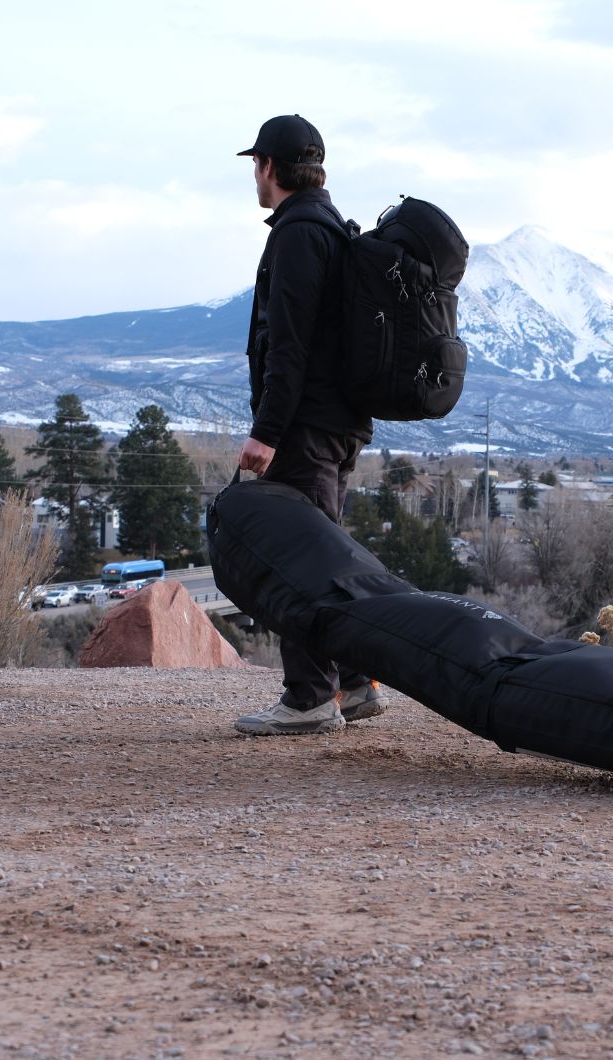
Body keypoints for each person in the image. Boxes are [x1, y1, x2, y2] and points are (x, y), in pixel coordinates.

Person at [233, 113, 387, 736]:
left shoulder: (298, 234)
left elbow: (288, 347)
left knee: (295, 562)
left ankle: (309, 698)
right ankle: (354, 681)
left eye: (255, 166)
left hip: (305, 429)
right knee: (328, 560)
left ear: (270, 168)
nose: (254, 177)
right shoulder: (330, 227)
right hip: (338, 423)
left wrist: (267, 432)